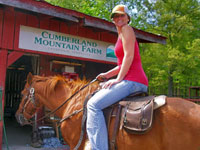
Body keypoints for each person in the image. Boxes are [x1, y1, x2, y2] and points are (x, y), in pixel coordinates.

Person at [86, 4, 148, 150]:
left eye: (122, 15)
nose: (119, 18)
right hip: (131, 79)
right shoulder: (121, 35)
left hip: (133, 80)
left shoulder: (127, 29)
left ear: (127, 18)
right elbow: (122, 64)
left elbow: (129, 56)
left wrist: (118, 79)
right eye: (116, 16)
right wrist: (106, 75)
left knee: (93, 105)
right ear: (113, 20)